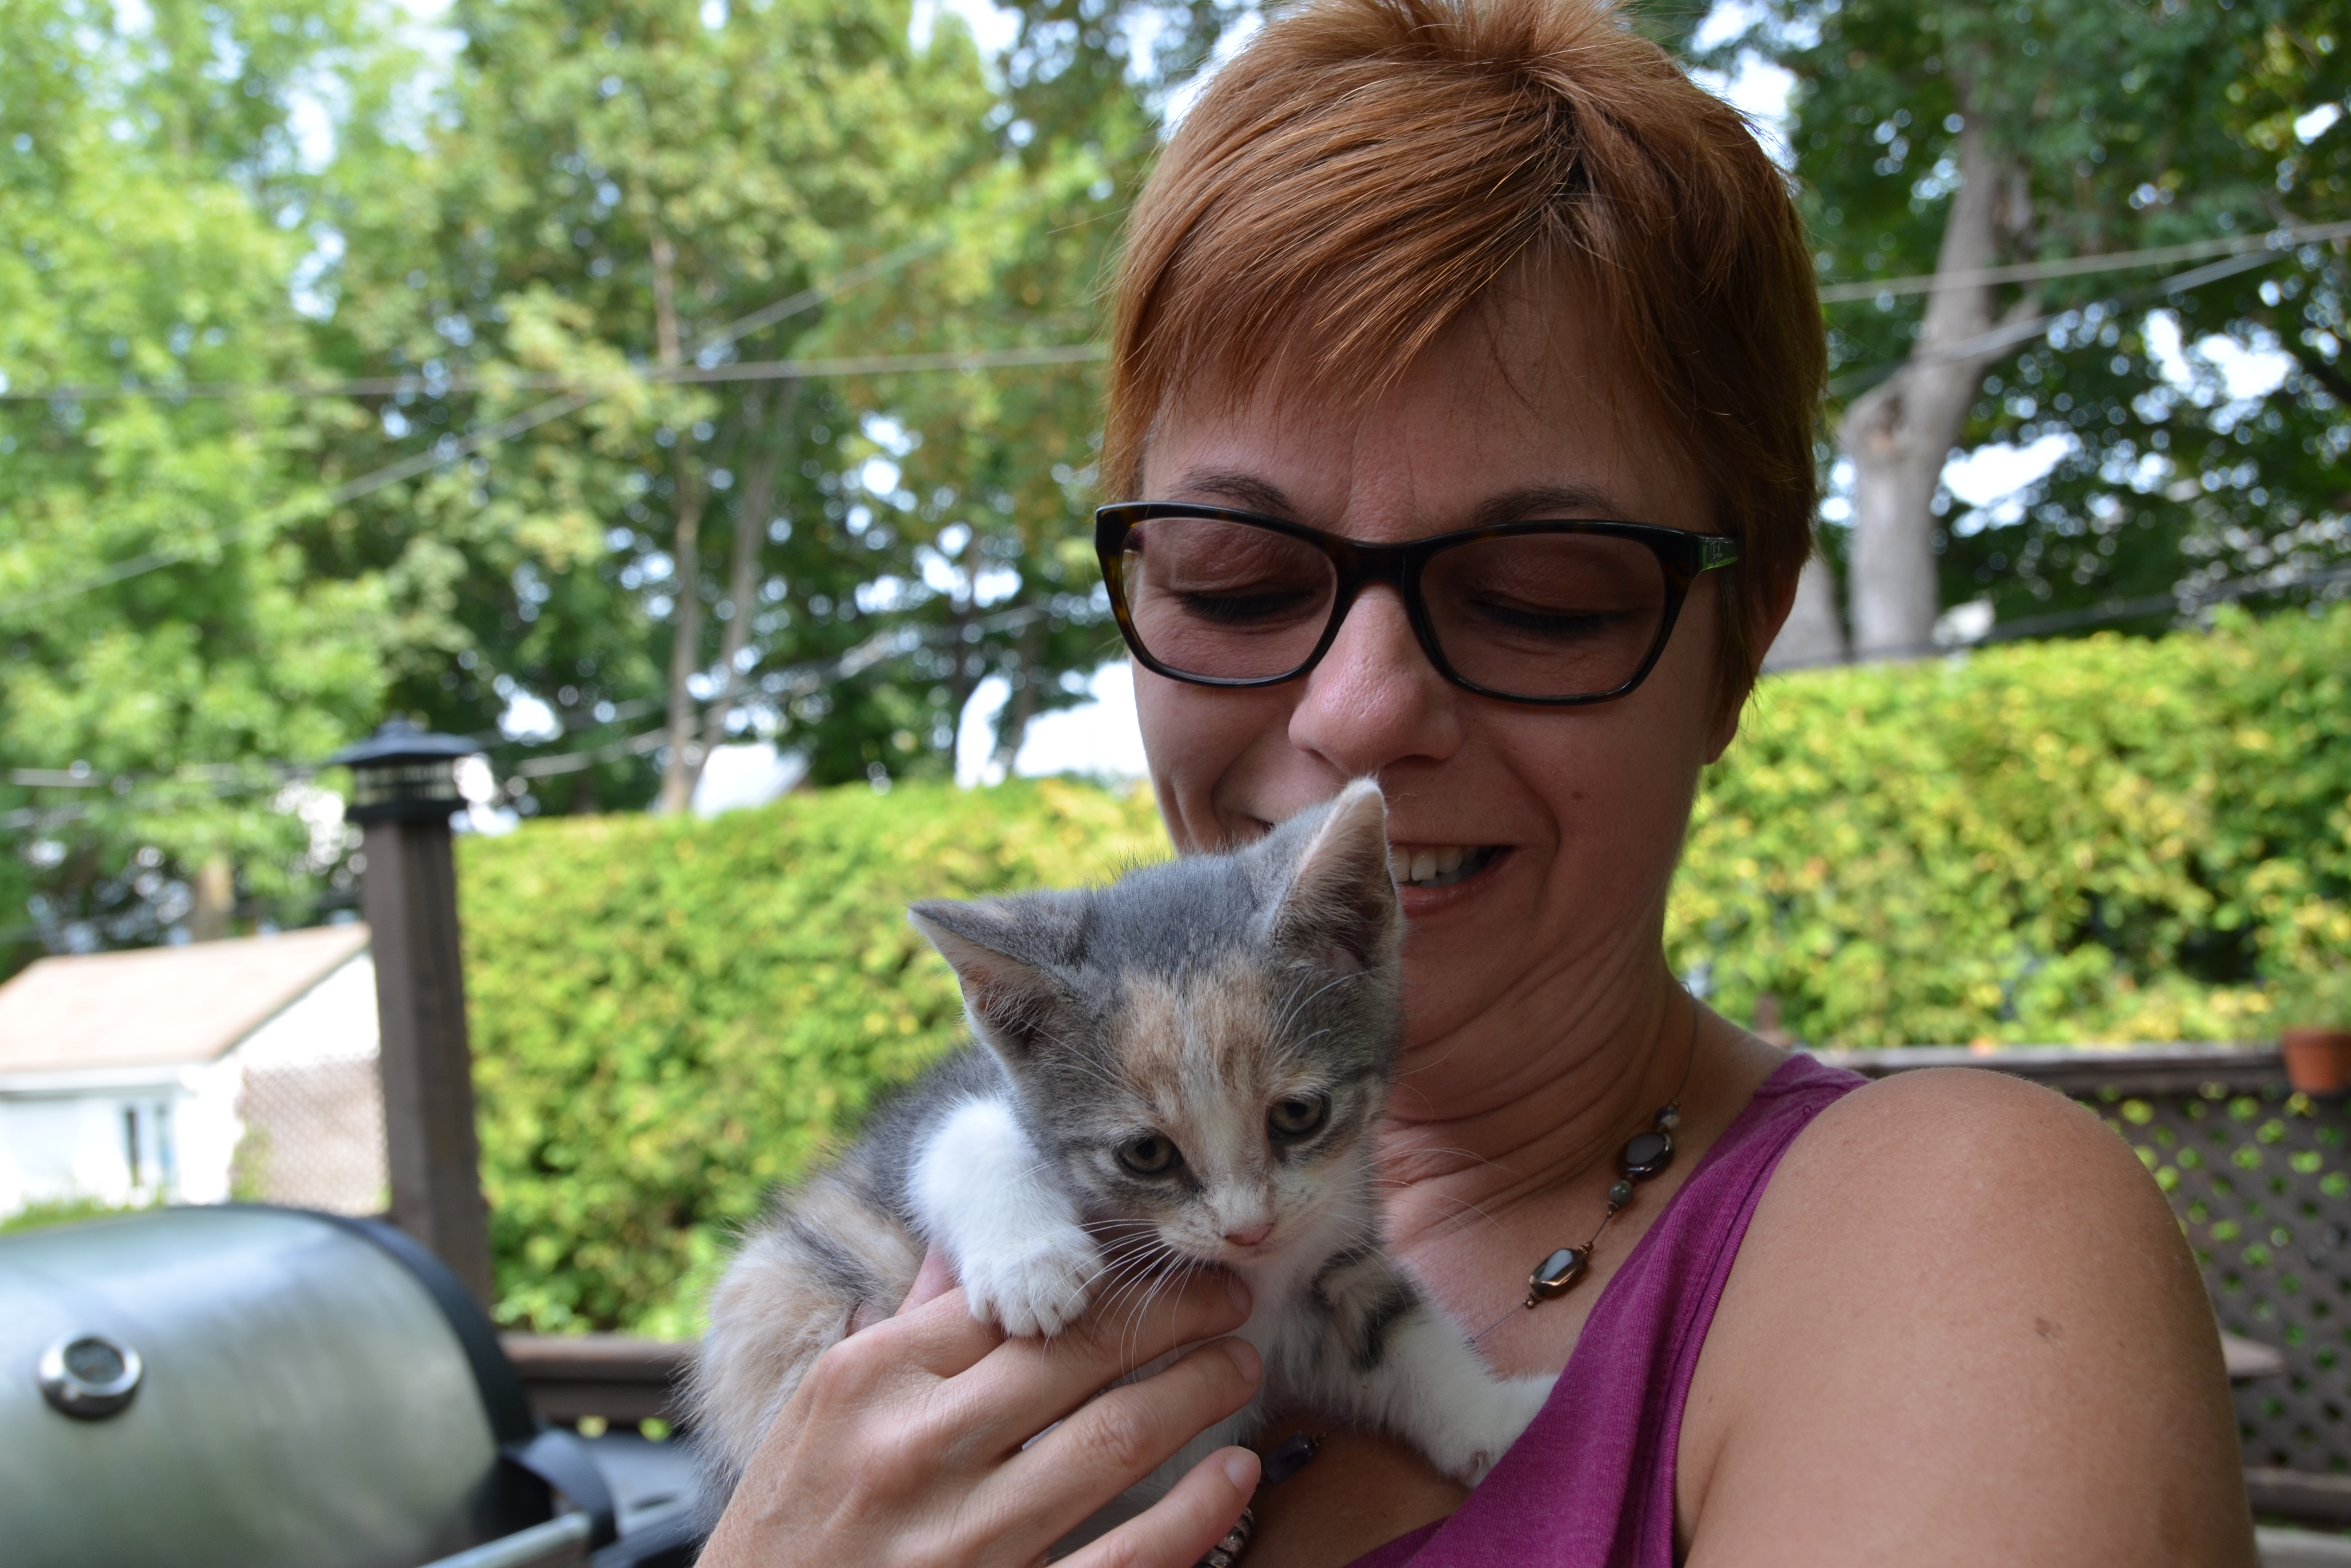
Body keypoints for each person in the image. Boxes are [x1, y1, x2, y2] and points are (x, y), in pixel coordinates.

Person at [698, 0, 2254, 1562]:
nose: (1363, 716)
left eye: (1544, 594)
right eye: (1235, 580)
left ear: (1745, 637)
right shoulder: (1009, 1212)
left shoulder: (1955, 1250)